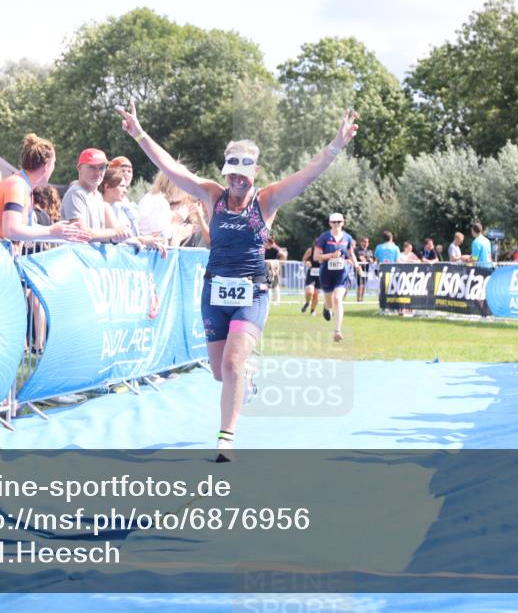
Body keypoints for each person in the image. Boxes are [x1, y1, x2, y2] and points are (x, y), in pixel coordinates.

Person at [117, 102, 359, 462]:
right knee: (221, 373)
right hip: (214, 291)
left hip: (251, 292)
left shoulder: (267, 199)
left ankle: (225, 439)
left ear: (255, 172)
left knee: (230, 365)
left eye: (244, 176)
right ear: (226, 171)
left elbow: (308, 174)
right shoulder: (211, 195)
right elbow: (170, 167)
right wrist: (139, 134)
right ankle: (246, 373)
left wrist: (337, 145)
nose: (237, 182)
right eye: (232, 174)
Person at [0, 133, 87, 243]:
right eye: (54, 163)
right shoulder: (17, 185)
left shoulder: (24, 185)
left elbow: (27, 228)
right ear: (46, 166)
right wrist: (51, 231)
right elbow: (11, 230)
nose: (54, 168)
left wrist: (62, 233)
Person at [62, 148, 130, 243]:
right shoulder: (76, 193)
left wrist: (119, 236)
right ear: (79, 168)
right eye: (92, 167)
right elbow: (81, 233)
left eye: (102, 168)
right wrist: (114, 232)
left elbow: (101, 235)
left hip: (90, 256)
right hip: (78, 256)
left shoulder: (98, 196)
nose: (98, 173)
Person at [98, 167, 167, 253]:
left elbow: (121, 239)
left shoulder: (109, 207)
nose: (125, 191)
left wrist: (144, 240)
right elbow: (119, 238)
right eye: (122, 186)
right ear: (107, 186)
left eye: (126, 187)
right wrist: (144, 240)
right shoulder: (104, 206)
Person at [315, 213, 361, 342]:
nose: (336, 225)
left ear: (343, 223)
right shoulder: (324, 237)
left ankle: (337, 330)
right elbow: (316, 257)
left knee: (337, 299)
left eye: (339, 222)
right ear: (330, 223)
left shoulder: (348, 238)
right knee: (330, 302)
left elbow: (351, 254)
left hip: (342, 273)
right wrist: (331, 255)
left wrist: (357, 265)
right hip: (326, 273)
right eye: (334, 222)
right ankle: (326, 306)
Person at [300, 239, 322, 316]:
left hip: (321, 275)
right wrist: (307, 263)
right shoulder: (310, 250)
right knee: (310, 292)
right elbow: (304, 259)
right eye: (316, 245)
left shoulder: (325, 250)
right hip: (311, 274)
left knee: (316, 294)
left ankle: (313, 310)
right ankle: (307, 302)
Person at [354, 236, 373, 302]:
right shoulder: (357, 249)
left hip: (366, 269)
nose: (366, 243)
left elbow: (371, 259)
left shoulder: (369, 251)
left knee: (364, 284)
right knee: (360, 284)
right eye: (364, 242)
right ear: (361, 242)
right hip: (359, 269)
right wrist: (367, 259)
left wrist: (369, 259)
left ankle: (362, 299)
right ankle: (358, 299)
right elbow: (361, 258)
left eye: (367, 242)